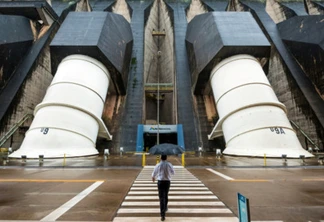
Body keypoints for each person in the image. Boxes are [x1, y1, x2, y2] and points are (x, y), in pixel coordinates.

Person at [152, 154, 175, 221]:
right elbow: (173, 173)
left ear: (161, 158)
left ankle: (162, 215)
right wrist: (168, 172)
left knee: (161, 197)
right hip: (167, 182)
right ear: (166, 158)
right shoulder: (169, 164)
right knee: (166, 195)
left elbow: (154, 172)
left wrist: (153, 177)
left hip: (160, 182)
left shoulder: (158, 165)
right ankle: (165, 207)